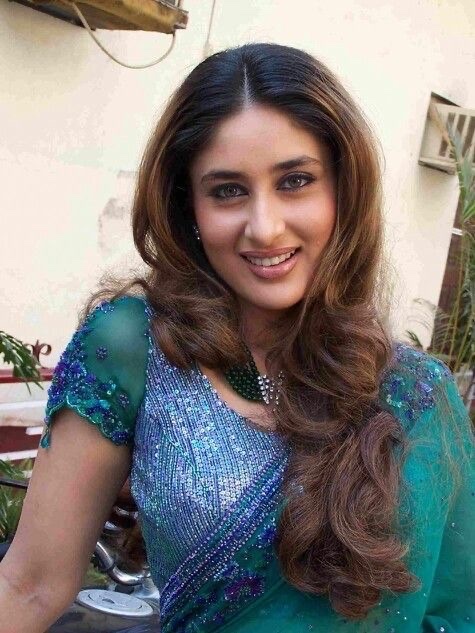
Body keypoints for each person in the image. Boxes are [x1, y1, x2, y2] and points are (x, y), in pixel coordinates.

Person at [0, 42, 473, 633]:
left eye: (295, 181)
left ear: (343, 192)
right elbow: (29, 584)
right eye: (227, 190)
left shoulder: (418, 397)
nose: (265, 228)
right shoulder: (133, 346)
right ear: (188, 207)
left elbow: (456, 612)